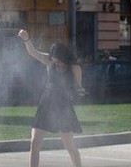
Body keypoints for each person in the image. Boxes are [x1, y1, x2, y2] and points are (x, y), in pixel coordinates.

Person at [18, 29, 83, 167]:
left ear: (64, 57)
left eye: (58, 59)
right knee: (34, 142)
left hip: (63, 106)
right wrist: (26, 39)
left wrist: (80, 91)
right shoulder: (50, 62)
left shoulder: (74, 67)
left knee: (69, 145)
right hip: (46, 104)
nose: (55, 62)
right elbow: (33, 52)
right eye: (53, 59)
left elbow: (78, 86)